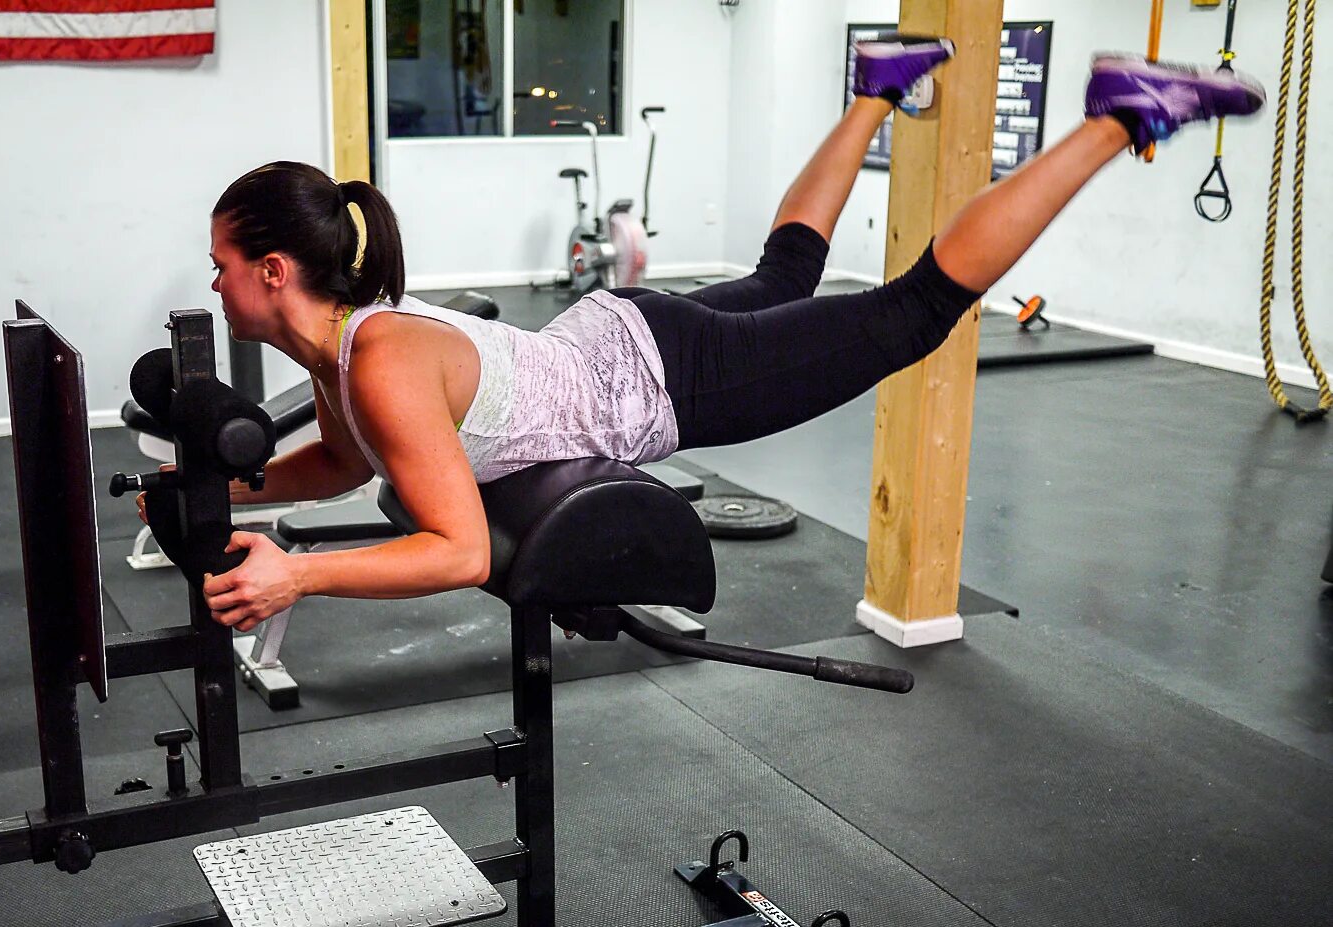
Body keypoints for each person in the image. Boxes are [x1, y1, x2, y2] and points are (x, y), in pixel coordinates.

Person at [186, 41, 1264, 632]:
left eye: (222, 261)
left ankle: (1117, 117)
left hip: (661, 377)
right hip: (622, 335)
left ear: (274, 271)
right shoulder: (344, 345)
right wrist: (220, 494)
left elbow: (458, 550)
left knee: (915, 312)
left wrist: (302, 578)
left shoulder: (375, 360)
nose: (216, 279)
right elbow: (335, 464)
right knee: (786, 274)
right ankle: (881, 91)